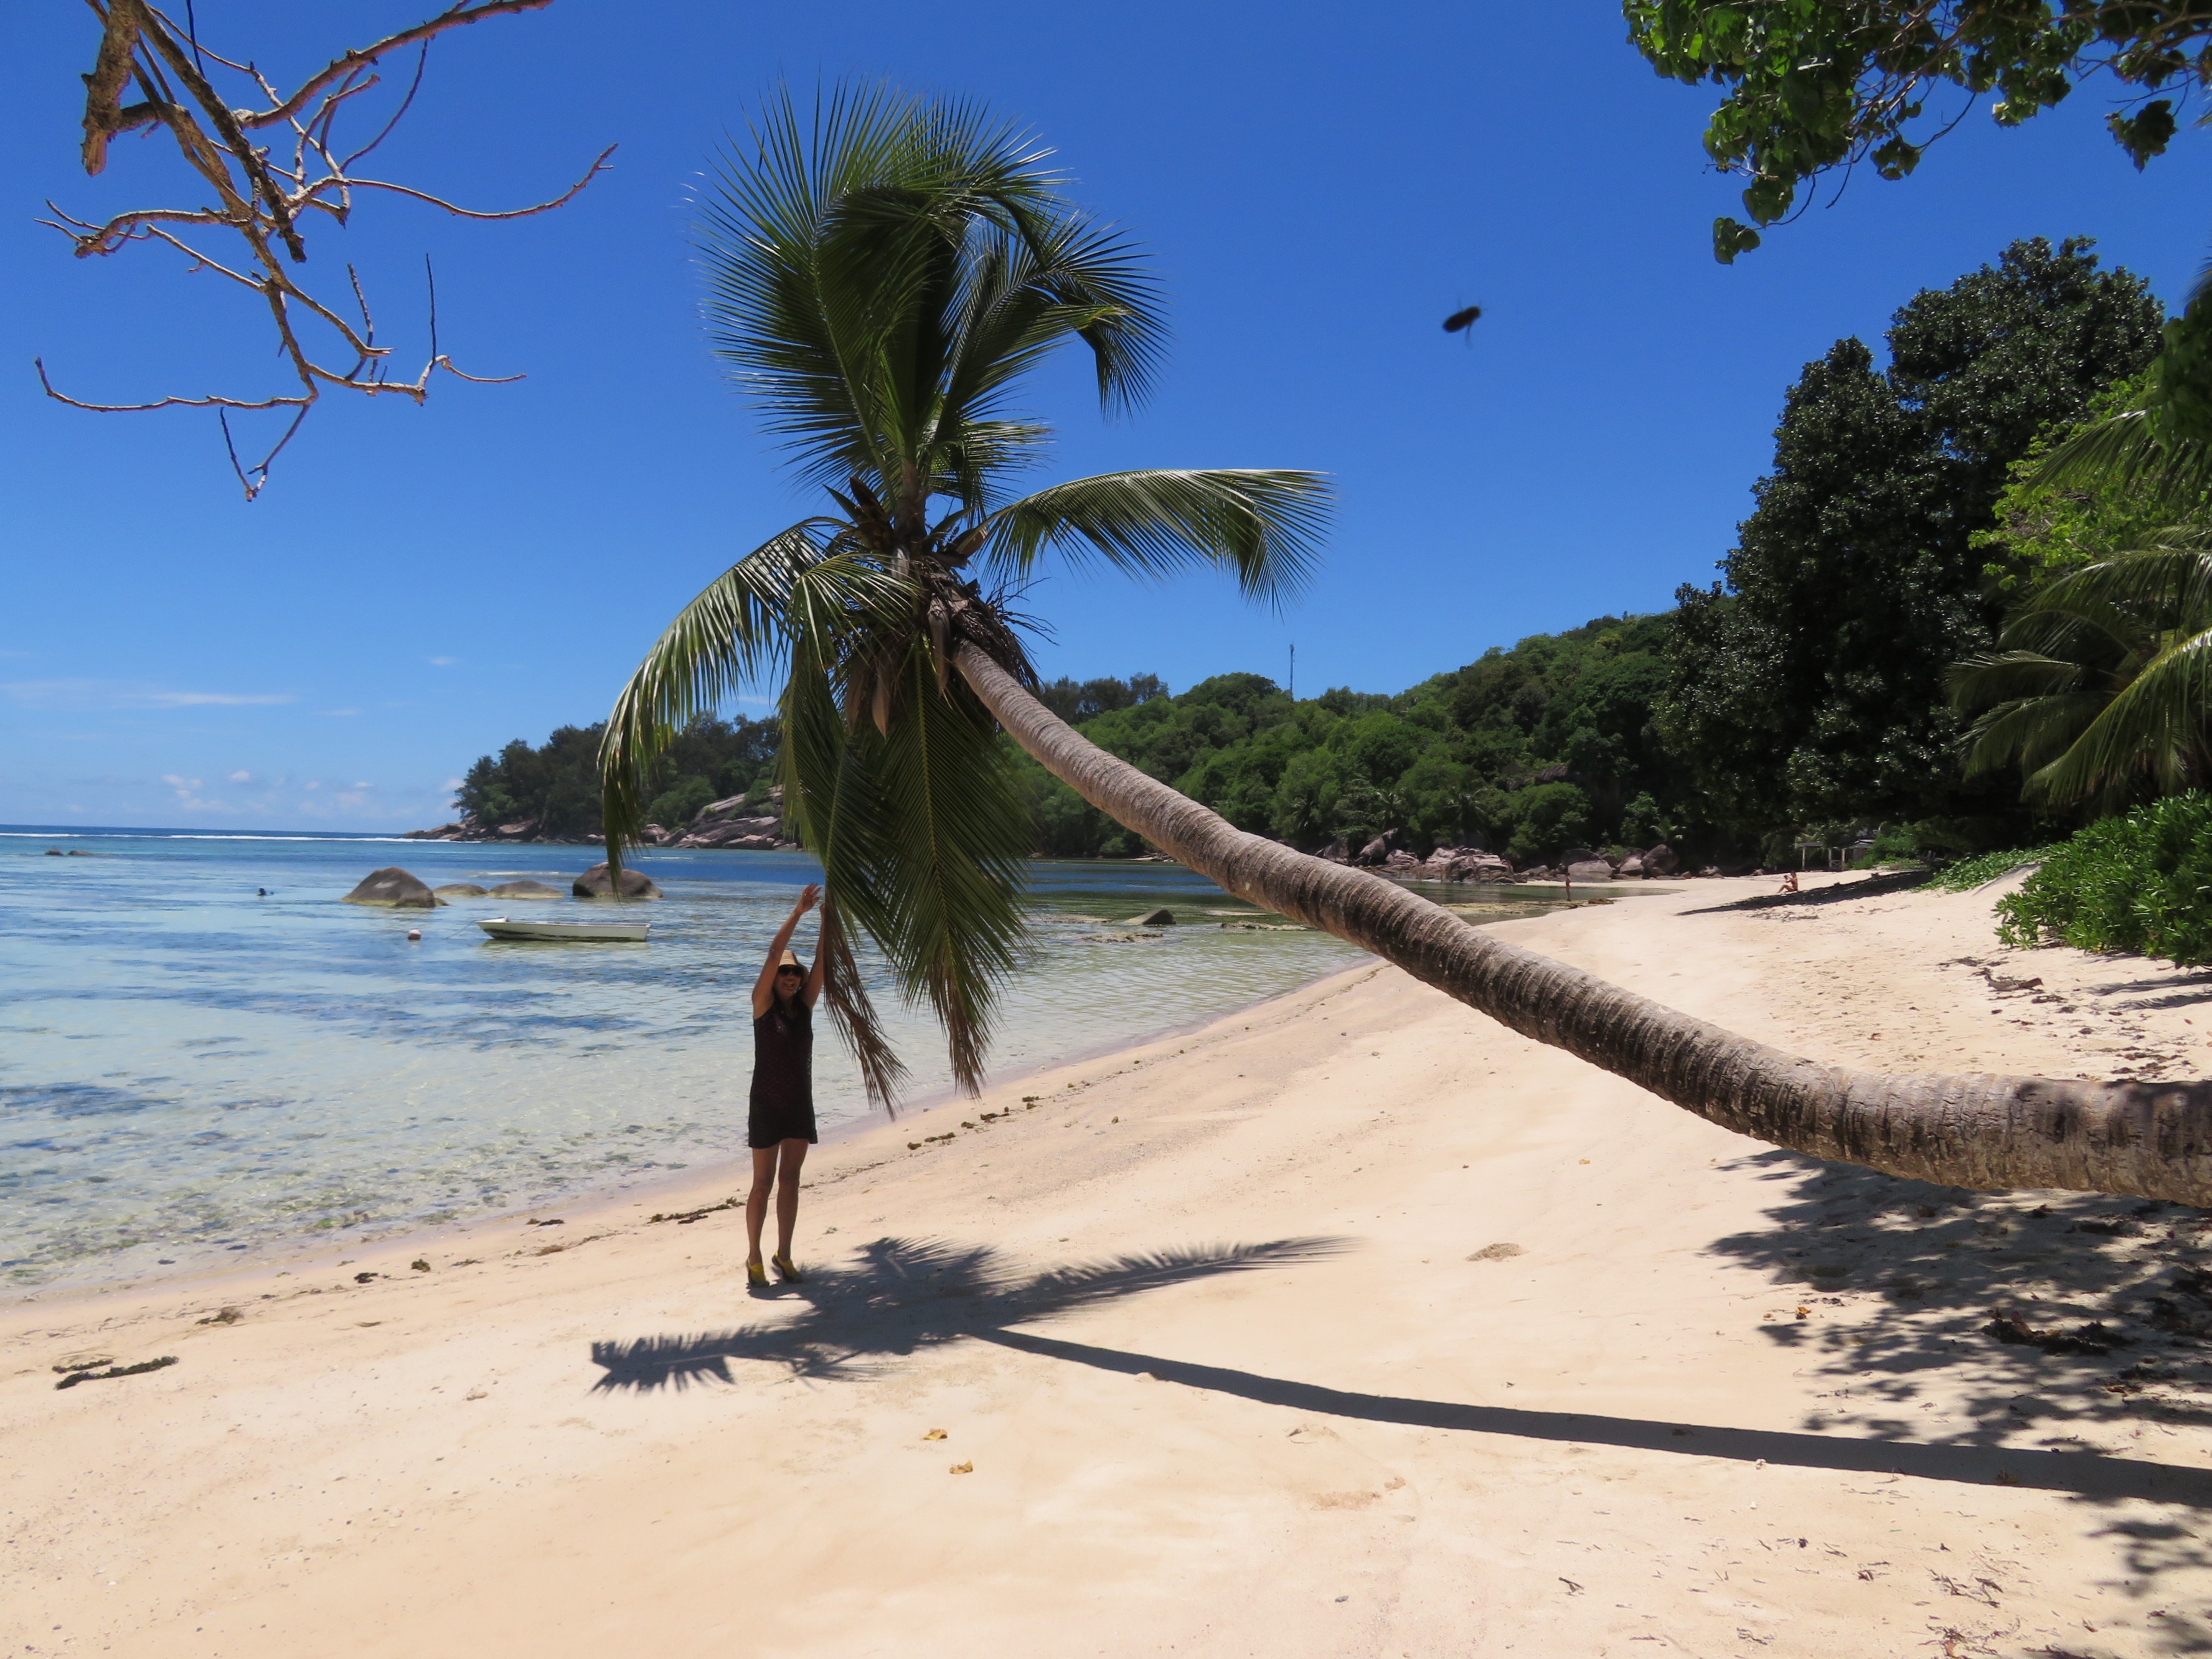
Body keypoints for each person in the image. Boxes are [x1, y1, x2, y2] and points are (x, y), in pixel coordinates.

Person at [745, 883, 829, 1288]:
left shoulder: (805, 1008)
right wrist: (798, 913)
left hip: (798, 1103)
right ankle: (754, 1256)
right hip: (766, 1103)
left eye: (796, 972)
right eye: (785, 972)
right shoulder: (762, 1006)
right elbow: (773, 952)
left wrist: (827, 921)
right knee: (762, 1184)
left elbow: (824, 963)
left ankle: (785, 1253)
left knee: (791, 1181)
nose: (791, 977)